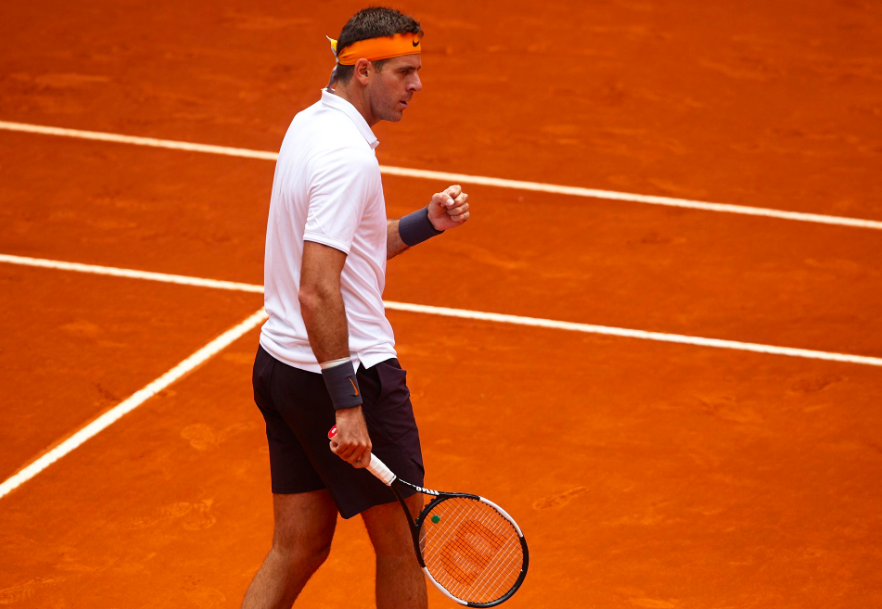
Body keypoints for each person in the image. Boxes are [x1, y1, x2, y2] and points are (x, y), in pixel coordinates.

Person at [242, 7, 470, 609]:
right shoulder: (349, 158)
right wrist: (347, 405)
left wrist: (426, 223)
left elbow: (351, 247)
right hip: (350, 374)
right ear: (363, 70)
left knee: (297, 546)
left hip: (283, 368)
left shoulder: (307, 125)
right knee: (404, 546)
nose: (417, 85)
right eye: (404, 72)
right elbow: (318, 288)